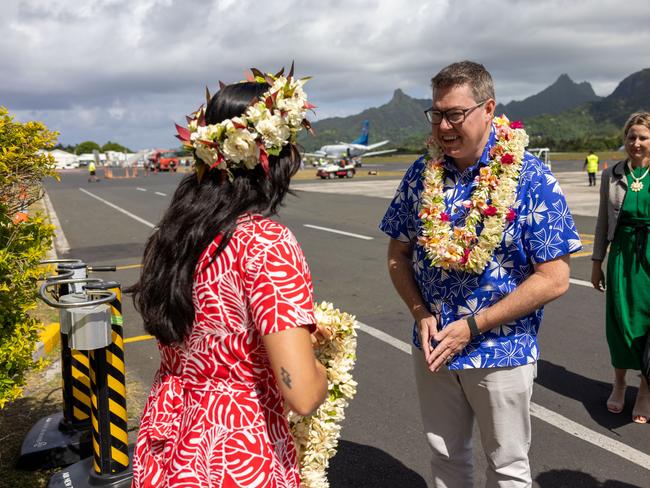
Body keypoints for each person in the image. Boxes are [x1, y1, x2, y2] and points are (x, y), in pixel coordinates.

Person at [379, 60, 582, 487]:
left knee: (507, 467)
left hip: (500, 350)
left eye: (455, 114)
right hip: (433, 345)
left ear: (488, 109)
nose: (443, 126)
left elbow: (555, 277)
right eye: (436, 114)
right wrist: (419, 312)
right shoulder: (422, 173)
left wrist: (474, 325)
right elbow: (398, 253)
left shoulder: (531, 178)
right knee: (445, 458)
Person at [127, 70, 328, 487]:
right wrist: (323, 368)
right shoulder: (265, 242)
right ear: (276, 155)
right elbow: (303, 394)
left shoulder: (174, 234)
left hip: (170, 434)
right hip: (236, 448)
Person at [591, 112, 650, 424]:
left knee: (647, 326)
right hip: (622, 257)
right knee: (619, 323)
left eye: (642, 137)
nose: (636, 143)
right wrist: (597, 263)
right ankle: (619, 382)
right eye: (631, 137)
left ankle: (644, 389)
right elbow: (602, 223)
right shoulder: (611, 174)